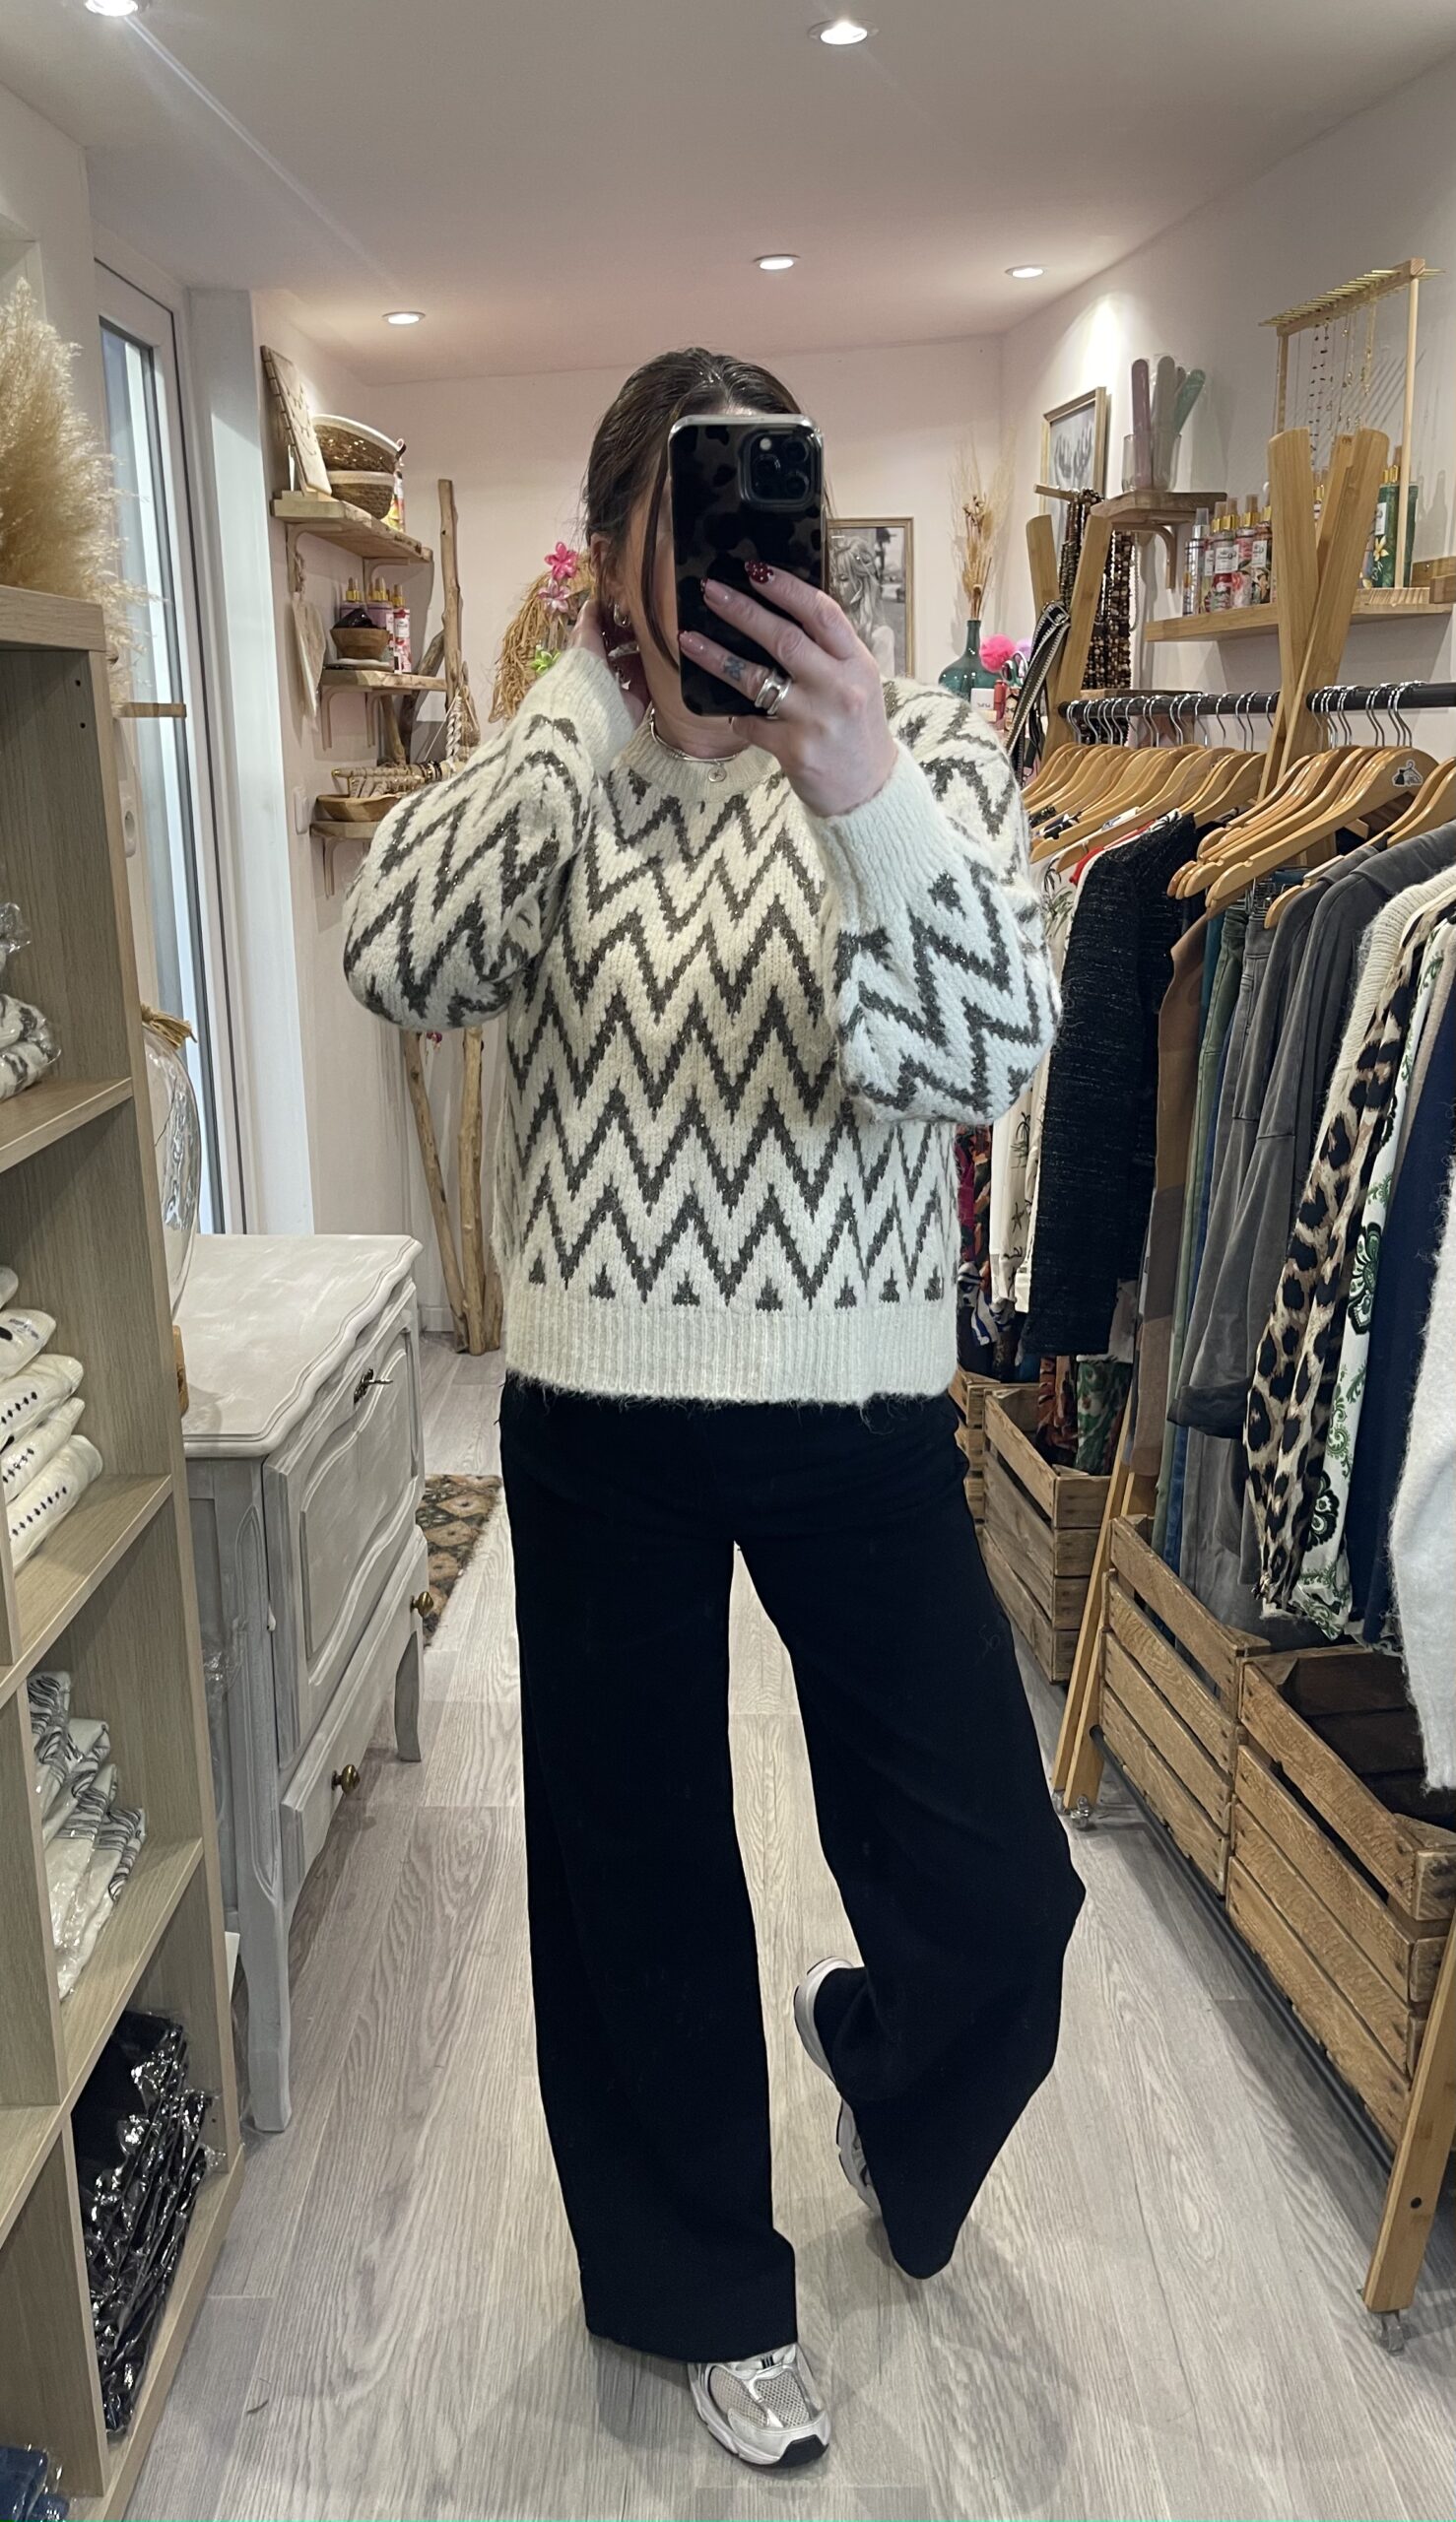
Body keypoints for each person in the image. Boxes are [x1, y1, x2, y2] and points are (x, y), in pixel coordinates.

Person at [344, 347, 1083, 2472]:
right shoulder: (558, 760)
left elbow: (976, 1060)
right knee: (636, 1885)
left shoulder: (924, 742)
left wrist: (857, 787)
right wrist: (582, 712)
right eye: (682, 531)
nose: (730, 568)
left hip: (857, 1414)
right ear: (612, 551)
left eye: (762, 519)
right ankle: (698, 2291)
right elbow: (398, 956)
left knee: (993, 1899)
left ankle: (883, 2074)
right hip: (601, 1418)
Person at [830, 531, 897, 677]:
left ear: (861, 584)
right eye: (832, 579)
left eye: (842, 579)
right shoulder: (826, 627)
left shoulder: (880, 636)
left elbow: (883, 688)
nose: (834, 585)